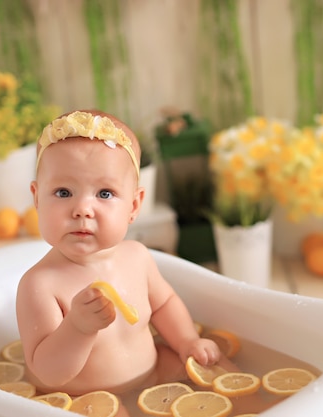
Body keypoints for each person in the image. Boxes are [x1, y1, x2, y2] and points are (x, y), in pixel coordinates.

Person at [16, 110, 224, 396]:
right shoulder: (40, 284)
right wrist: (77, 327)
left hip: (153, 371)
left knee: (215, 371)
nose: (82, 209)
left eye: (104, 193)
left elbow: (164, 304)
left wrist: (187, 341)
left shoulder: (137, 257)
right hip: (90, 400)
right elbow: (47, 373)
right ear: (37, 198)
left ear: (134, 205)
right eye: (64, 192)